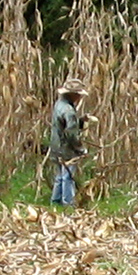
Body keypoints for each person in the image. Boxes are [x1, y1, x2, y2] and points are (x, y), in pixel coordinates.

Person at [49, 77, 90, 206]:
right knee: (68, 177)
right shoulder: (69, 111)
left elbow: (62, 125)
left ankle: (55, 201)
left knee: (59, 176)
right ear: (73, 95)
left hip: (56, 146)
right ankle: (68, 203)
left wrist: (81, 121)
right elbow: (71, 134)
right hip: (67, 149)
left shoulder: (59, 105)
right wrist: (80, 149)